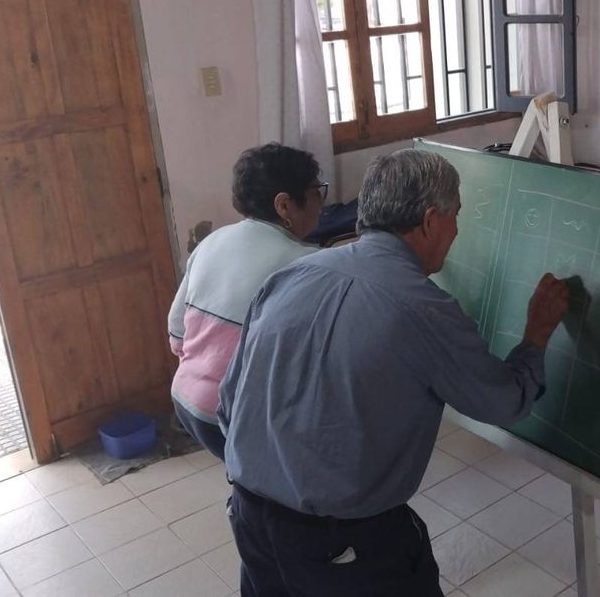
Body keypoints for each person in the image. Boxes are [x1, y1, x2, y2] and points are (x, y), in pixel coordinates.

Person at [219, 148, 570, 596]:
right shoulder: (424, 309)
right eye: (456, 216)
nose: (458, 230)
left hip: (249, 517)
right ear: (429, 221)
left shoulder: (293, 274)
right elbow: (504, 402)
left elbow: (229, 404)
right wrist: (537, 335)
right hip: (340, 541)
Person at [167, 143, 326, 460]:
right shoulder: (307, 263)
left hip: (185, 400)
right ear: (284, 205)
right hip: (231, 415)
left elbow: (176, 332)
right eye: (315, 191)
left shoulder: (212, 241)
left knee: (248, 474)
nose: (321, 203)